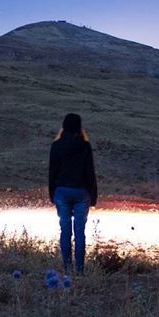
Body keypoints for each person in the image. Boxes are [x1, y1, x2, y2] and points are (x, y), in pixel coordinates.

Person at [49, 113, 98, 273]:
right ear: (79, 127)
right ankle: (79, 270)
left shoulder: (56, 146)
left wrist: (52, 193)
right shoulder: (85, 146)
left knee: (65, 230)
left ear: (64, 126)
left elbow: (52, 172)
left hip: (62, 191)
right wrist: (93, 195)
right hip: (81, 192)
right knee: (80, 232)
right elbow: (90, 172)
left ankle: (67, 268)